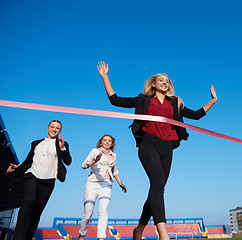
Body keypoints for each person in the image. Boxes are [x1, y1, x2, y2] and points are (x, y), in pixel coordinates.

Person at [97, 61, 217, 240]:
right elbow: (115, 100)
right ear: (153, 84)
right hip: (148, 144)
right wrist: (105, 77)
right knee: (158, 182)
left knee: (157, 187)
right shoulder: (143, 99)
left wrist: (213, 100)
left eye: (167, 81)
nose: (165, 82)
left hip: (168, 147)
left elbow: (197, 115)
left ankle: (139, 228)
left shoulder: (175, 103)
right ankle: (162, 232)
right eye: (161, 80)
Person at [6, 120, 72, 240]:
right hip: (32, 175)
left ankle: (27, 237)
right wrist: (19, 167)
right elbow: (30, 160)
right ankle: (18, 237)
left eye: (57, 128)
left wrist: (63, 149)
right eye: (52, 127)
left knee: (37, 212)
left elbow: (68, 161)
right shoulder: (36, 143)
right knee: (29, 200)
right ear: (47, 128)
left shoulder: (62, 143)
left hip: (49, 180)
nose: (54, 129)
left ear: (60, 131)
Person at [79, 134, 127, 240]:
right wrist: (93, 161)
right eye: (104, 140)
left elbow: (114, 170)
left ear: (111, 143)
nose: (107, 142)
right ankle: (82, 234)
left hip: (106, 184)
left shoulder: (114, 155)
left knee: (103, 210)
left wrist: (120, 183)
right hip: (92, 183)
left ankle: (101, 237)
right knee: (87, 214)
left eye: (109, 141)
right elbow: (83, 165)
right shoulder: (95, 151)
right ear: (101, 142)